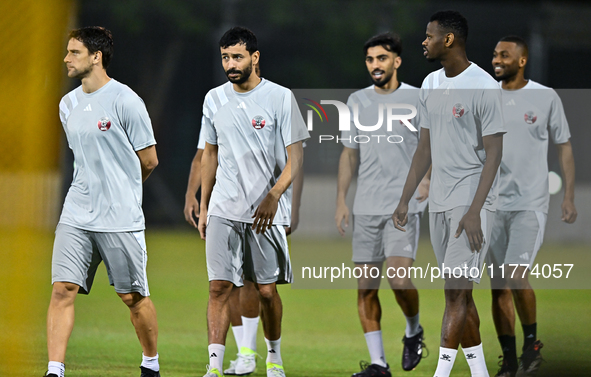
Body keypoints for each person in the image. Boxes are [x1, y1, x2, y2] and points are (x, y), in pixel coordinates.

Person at [392, 11, 505, 377]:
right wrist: (405, 198)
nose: (423, 42)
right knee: (462, 293)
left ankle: (440, 373)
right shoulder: (429, 83)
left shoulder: (484, 85)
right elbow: (423, 148)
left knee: (455, 292)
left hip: (470, 200)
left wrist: (475, 210)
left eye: (429, 36)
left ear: (449, 40)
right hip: (438, 202)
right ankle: (480, 372)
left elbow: (494, 154)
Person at [46, 27, 161, 377]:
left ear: (96, 57)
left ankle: (150, 362)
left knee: (133, 297)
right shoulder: (68, 105)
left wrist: (122, 189)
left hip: (119, 218)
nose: (66, 58)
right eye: (67, 52)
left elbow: (150, 160)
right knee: (62, 290)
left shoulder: (126, 101)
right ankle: (55, 369)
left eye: (74, 52)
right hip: (77, 213)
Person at [197, 27, 308, 377]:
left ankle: (273, 356)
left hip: (266, 212)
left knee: (265, 291)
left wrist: (275, 195)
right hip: (223, 209)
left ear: (254, 58)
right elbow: (209, 154)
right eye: (226, 58)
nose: (230, 64)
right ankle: (214, 367)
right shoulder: (214, 98)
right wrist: (204, 205)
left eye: (237, 57)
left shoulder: (279, 97)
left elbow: (296, 158)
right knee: (219, 287)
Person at [334, 32, 429, 377]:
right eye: (370, 59)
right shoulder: (357, 100)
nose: (375, 65)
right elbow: (349, 153)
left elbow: (431, 145)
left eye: (382, 59)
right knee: (365, 288)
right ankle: (378, 363)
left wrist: (428, 178)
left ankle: (413, 329)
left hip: (402, 207)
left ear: (396, 61)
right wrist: (342, 200)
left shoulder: (418, 98)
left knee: (400, 280)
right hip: (366, 206)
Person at [489, 35, 577, 377]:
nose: (497, 59)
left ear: (522, 61)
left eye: (505, 55)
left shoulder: (544, 97)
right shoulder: (486, 97)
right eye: (495, 54)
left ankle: (531, 346)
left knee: (515, 275)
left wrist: (568, 195)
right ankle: (509, 360)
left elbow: (564, 147)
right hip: (492, 206)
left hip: (530, 204)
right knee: (498, 287)